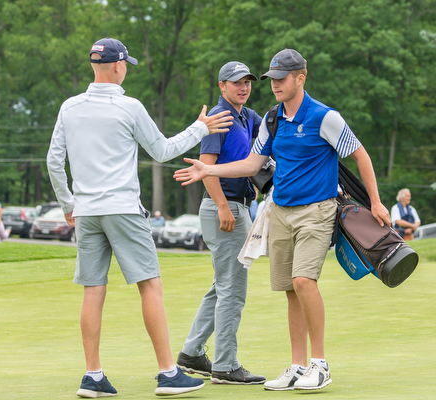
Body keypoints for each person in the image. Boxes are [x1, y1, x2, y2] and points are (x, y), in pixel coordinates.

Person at [173, 48, 390, 391]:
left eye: (281, 78)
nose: (274, 85)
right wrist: (208, 169)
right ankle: (297, 365)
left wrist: (376, 202)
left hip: (317, 211)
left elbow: (360, 155)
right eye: (271, 79)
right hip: (279, 212)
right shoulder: (272, 118)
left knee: (304, 281)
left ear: (300, 78)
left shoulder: (325, 116)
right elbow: (252, 164)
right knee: (290, 290)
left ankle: (319, 364)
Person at [46, 37, 233, 397]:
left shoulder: (69, 107)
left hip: (86, 212)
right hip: (123, 209)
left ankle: (93, 376)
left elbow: (55, 161)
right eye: (125, 64)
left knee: (93, 290)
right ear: (118, 66)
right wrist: (201, 128)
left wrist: (68, 204)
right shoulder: (129, 106)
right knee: (150, 284)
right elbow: (162, 151)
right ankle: (167, 373)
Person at [175, 61, 265, 385]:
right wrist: (224, 207)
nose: (243, 87)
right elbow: (205, 167)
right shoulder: (219, 117)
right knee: (233, 292)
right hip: (223, 209)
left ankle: (191, 353)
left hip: (236, 208)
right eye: (236, 82)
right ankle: (226, 366)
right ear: (222, 86)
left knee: (222, 287)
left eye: (247, 82)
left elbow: (270, 126)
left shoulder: (246, 117)